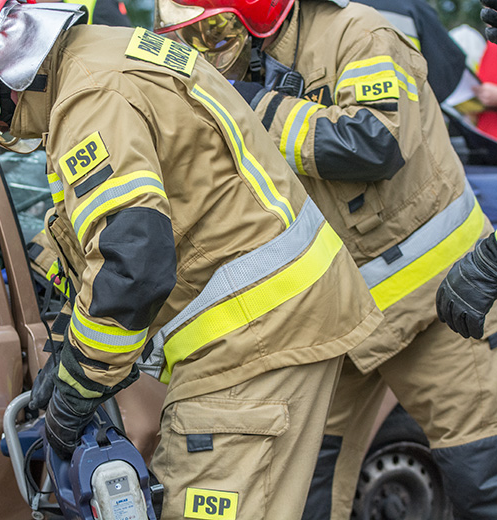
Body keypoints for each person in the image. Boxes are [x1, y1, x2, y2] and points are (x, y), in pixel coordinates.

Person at [0, 1, 383, 518]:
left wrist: (79, 384)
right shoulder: (98, 58)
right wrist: (66, 353)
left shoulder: (90, 98)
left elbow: (131, 266)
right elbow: (95, 233)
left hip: (254, 337)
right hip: (273, 318)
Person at [155, 0, 497, 518]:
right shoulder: (242, 71)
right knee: (306, 493)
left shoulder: (357, 33)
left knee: (482, 479)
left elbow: (375, 143)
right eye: (193, 37)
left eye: (215, 31)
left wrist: (262, 109)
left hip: (438, 307)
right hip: (337, 322)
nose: (206, 50)